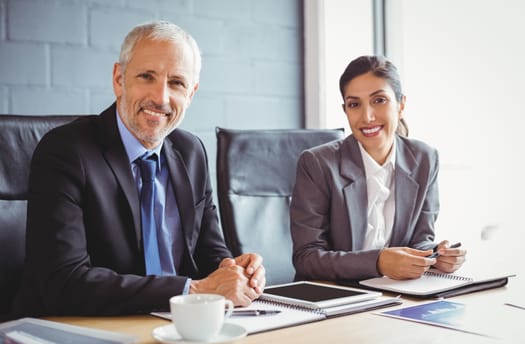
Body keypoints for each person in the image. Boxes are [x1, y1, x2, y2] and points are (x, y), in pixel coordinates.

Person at [13, 20, 265, 317]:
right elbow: (63, 283)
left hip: (177, 324)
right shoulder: (67, 151)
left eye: (176, 83)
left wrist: (233, 271)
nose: (160, 98)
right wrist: (194, 291)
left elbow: (209, 251)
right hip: (81, 328)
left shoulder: (191, 152)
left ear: (191, 93)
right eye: (147, 76)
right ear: (119, 79)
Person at [290, 55, 466, 282]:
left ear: (401, 105)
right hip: (335, 295)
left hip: (394, 293)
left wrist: (437, 254)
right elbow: (307, 258)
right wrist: (378, 262)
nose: (367, 116)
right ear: (345, 110)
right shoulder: (317, 163)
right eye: (355, 105)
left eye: (379, 100)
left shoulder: (425, 158)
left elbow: (420, 239)